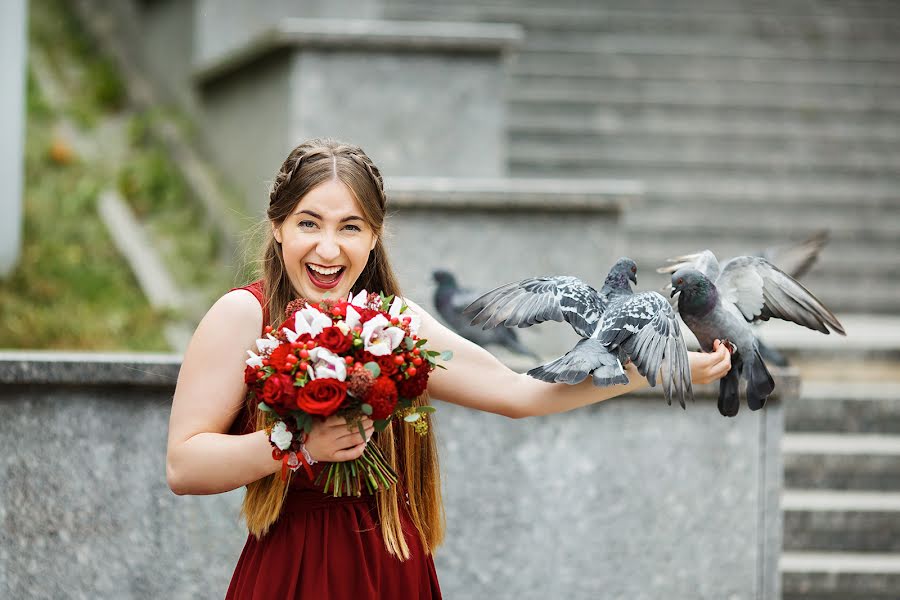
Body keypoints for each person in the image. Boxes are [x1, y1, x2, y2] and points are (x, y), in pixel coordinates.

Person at [165, 138, 732, 599]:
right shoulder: (245, 315)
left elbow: (517, 393)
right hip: (292, 572)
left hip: (393, 568)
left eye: (351, 227)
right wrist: (299, 445)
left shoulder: (398, 324)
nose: (329, 249)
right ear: (279, 227)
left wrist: (655, 369)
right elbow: (184, 465)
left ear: (374, 236)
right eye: (309, 224)